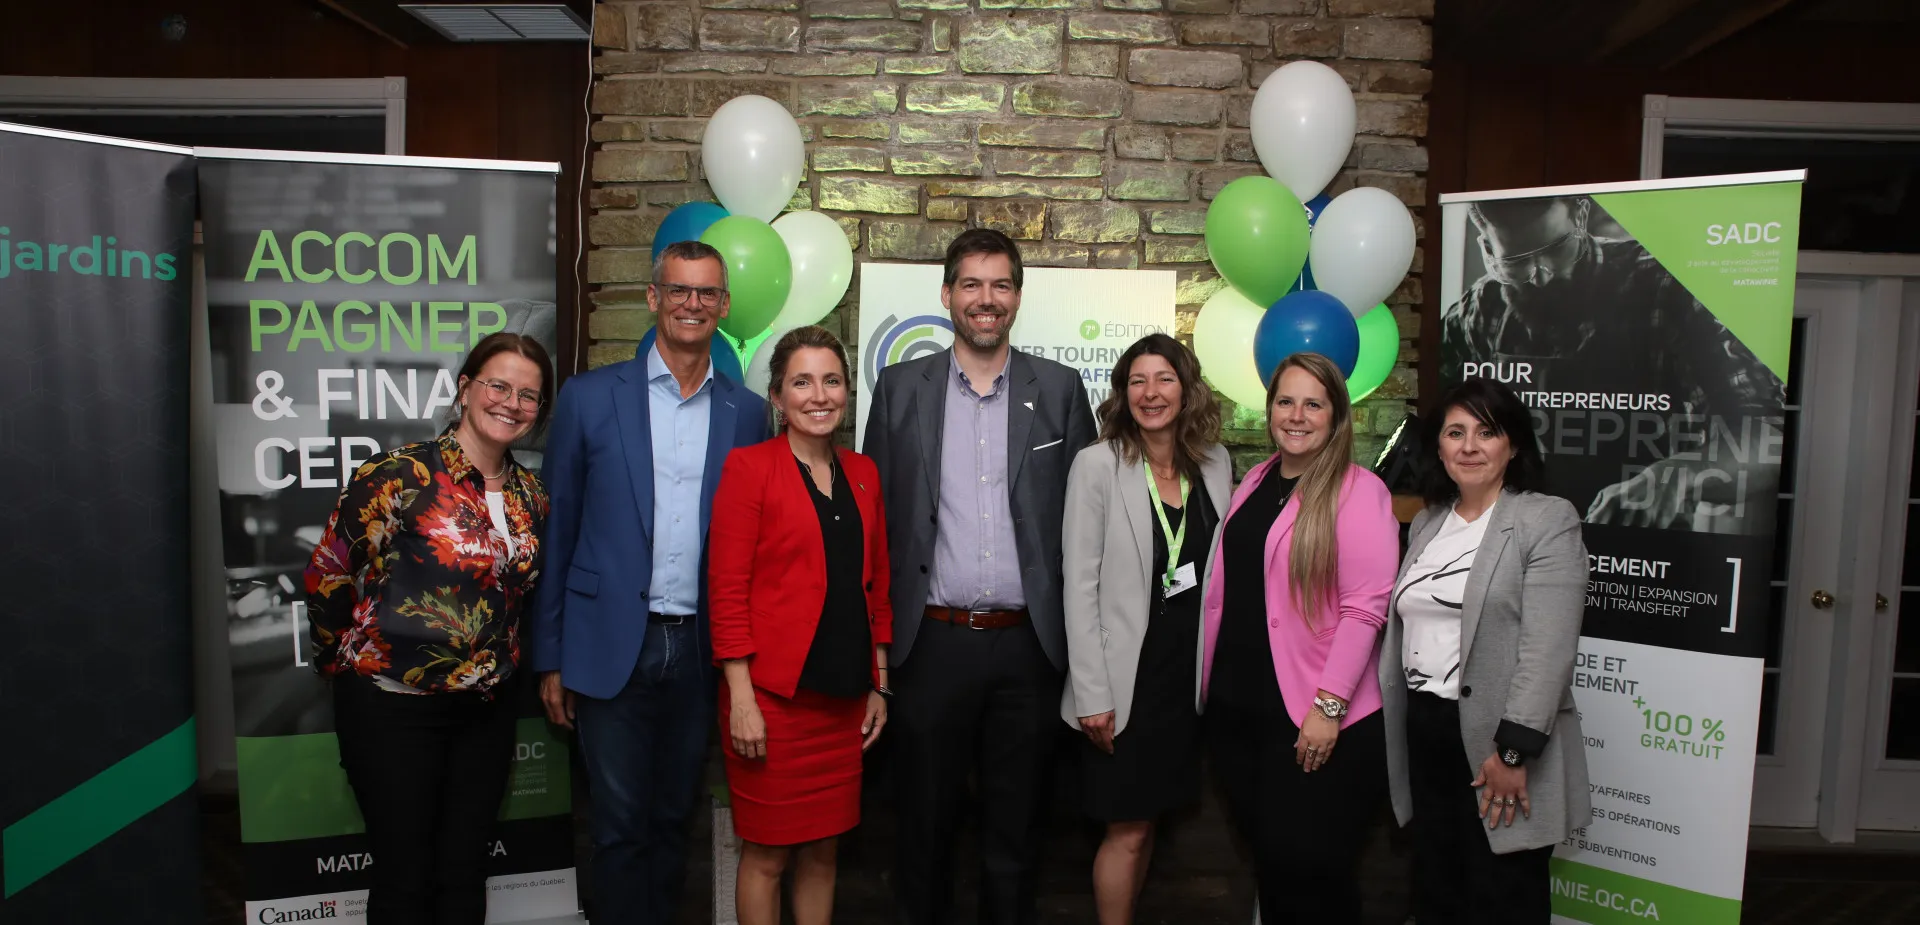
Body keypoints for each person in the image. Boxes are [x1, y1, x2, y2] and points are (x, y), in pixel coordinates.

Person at [529, 239, 769, 924]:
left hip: (698, 650)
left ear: (724, 306)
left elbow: (753, 545)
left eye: (707, 292)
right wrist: (550, 656)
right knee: (617, 826)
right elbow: (558, 529)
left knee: (672, 821)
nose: (693, 303)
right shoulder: (589, 398)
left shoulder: (748, 413)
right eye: (679, 289)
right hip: (609, 646)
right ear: (653, 297)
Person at [863, 227, 1098, 925]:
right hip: (931, 644)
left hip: (1029, 647)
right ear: (947, 295)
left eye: (1000, 284)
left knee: (1017, 833)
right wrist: (877, 657)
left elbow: (1086, 523)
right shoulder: (900, 388)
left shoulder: (1059, 389)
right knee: (923, 828)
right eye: (971, 284)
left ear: (1018, 297)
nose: (985, 298)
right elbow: (876, 526)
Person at [304, 332, 554, 924]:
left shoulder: (532, 496)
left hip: (485, 712)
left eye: (528, 395)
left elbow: (524, 597)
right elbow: (329, 572)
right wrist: (338, 660)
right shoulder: (400, 474)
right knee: (404, 880)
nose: (511, 404)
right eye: (498, 386)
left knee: (465, 876)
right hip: (391, 707)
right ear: (465, 389)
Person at [1195, 352, 1399, 925]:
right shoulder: (1257, 479)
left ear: (1336, 416)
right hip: (1238, 711)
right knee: (1272, 867)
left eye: (1313, 404)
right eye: (1285, 401)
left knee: (1314, 873)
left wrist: (1328, 708)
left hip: (1313, 717)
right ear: (1269, 410)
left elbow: (1365, 610)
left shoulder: (1360, 491)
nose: (1297, 415)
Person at [1441, 195, 1783, 535]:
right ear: (1487, 247)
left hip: (1641, 546)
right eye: (1515, 262)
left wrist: (1675, 477)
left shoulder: (1667, 287)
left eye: (1556, 251)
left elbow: (1767, 434)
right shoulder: (1479, 311)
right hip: (1520, 539)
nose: (1541, 276)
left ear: (1580, 215)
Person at [1380, 377, 1591, 924]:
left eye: (1486, 432)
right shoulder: (1427, 523)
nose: (1469, 446)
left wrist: (1514, 753)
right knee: (1437, 890)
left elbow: (1549, 648)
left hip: (1500, 742)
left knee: (1502, 896)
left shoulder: (1545, 519)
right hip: (1426, 734)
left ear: (1513, 445)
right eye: (1455, 433)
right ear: (1438, 446)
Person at [707, 326, 895, 925]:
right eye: (802, 382)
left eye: (831, 381)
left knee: (824, 850)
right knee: (766, 856)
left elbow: (877, 586)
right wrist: (741, 699)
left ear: (847, 392)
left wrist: (879, 683)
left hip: (843, 703)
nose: (819, 395)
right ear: (777, 396)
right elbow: (727, 591)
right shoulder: (750, 467)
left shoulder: (863, 473)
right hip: (772, 701)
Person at [1060, 334, 1231, 925]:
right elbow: (1078, 585)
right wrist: (1092, 694)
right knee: (1126, 829)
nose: (1150, 393)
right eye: (1137, 381)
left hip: (1183, 681)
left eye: (1164, 379)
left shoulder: (1215, 463)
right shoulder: (1098, 464)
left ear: (1187, 389)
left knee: (1149, 819)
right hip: (1122, 683)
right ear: (1122, 392)